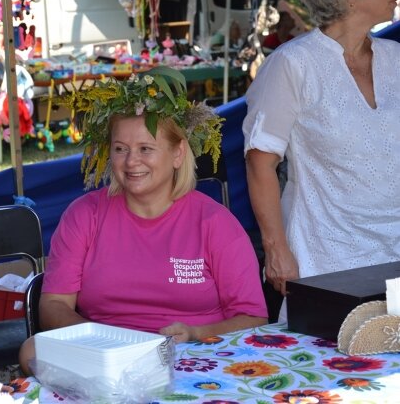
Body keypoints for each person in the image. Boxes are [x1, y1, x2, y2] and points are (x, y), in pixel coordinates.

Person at [20, 68, 267, 373]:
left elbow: (254, 320)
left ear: (178, 154)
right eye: (120, 149)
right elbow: (53, 306)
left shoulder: (216, 223)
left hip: (192, 356)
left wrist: (196, 334)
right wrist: (101, 343)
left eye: (145, 149)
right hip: (105, 359)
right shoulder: (83, 216)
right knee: (31, 350)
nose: (131, 161)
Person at [243, 0, 400, 312]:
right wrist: (276, 250)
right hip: (325, 262)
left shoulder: (396, 59)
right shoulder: (293, 65)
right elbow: (260, 162)